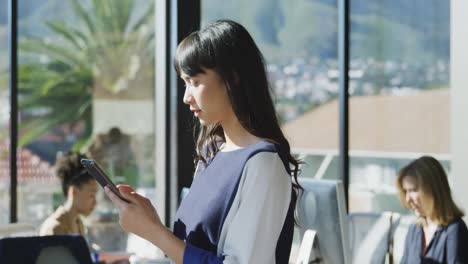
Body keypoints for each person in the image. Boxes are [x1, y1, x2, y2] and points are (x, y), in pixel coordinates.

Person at [104, 19, 301, 264]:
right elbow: (191, 251)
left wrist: (153, 231)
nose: (187, 97)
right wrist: (152, 224)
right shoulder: (213, 154)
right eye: (185, 83)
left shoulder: (263, 165)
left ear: (233, 78)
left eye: (195, 82)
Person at [397, 156, 468, 263]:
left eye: (413, 190)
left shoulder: (454, 229)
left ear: (433, 189)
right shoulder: (414, 230)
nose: (408, 199)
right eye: (405, 191)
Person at [40, 151, 98, 236]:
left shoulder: (79, 224)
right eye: (91, 195)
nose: (95, 202)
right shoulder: (55, 229)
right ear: (73, 192)